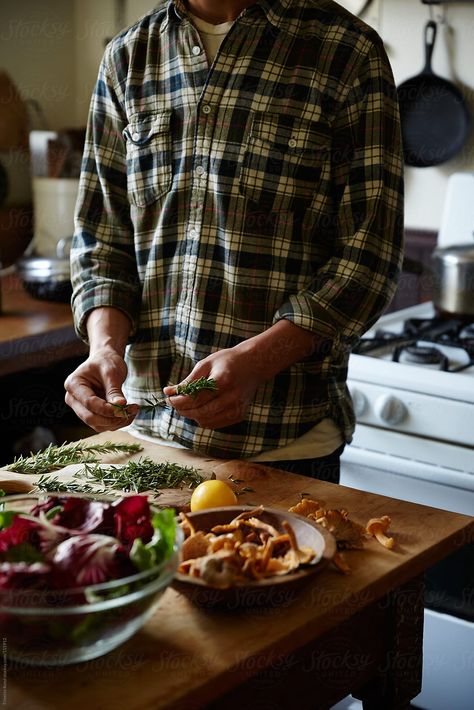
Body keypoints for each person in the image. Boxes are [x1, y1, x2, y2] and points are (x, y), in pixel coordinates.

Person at [65, 0, 404, 484]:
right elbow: (102, 242)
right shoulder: (127, 56)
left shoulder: (345, 51)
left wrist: (256, 362)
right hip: (145, 437)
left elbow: (369, 259)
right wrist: (104, 348)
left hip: (286, 444)